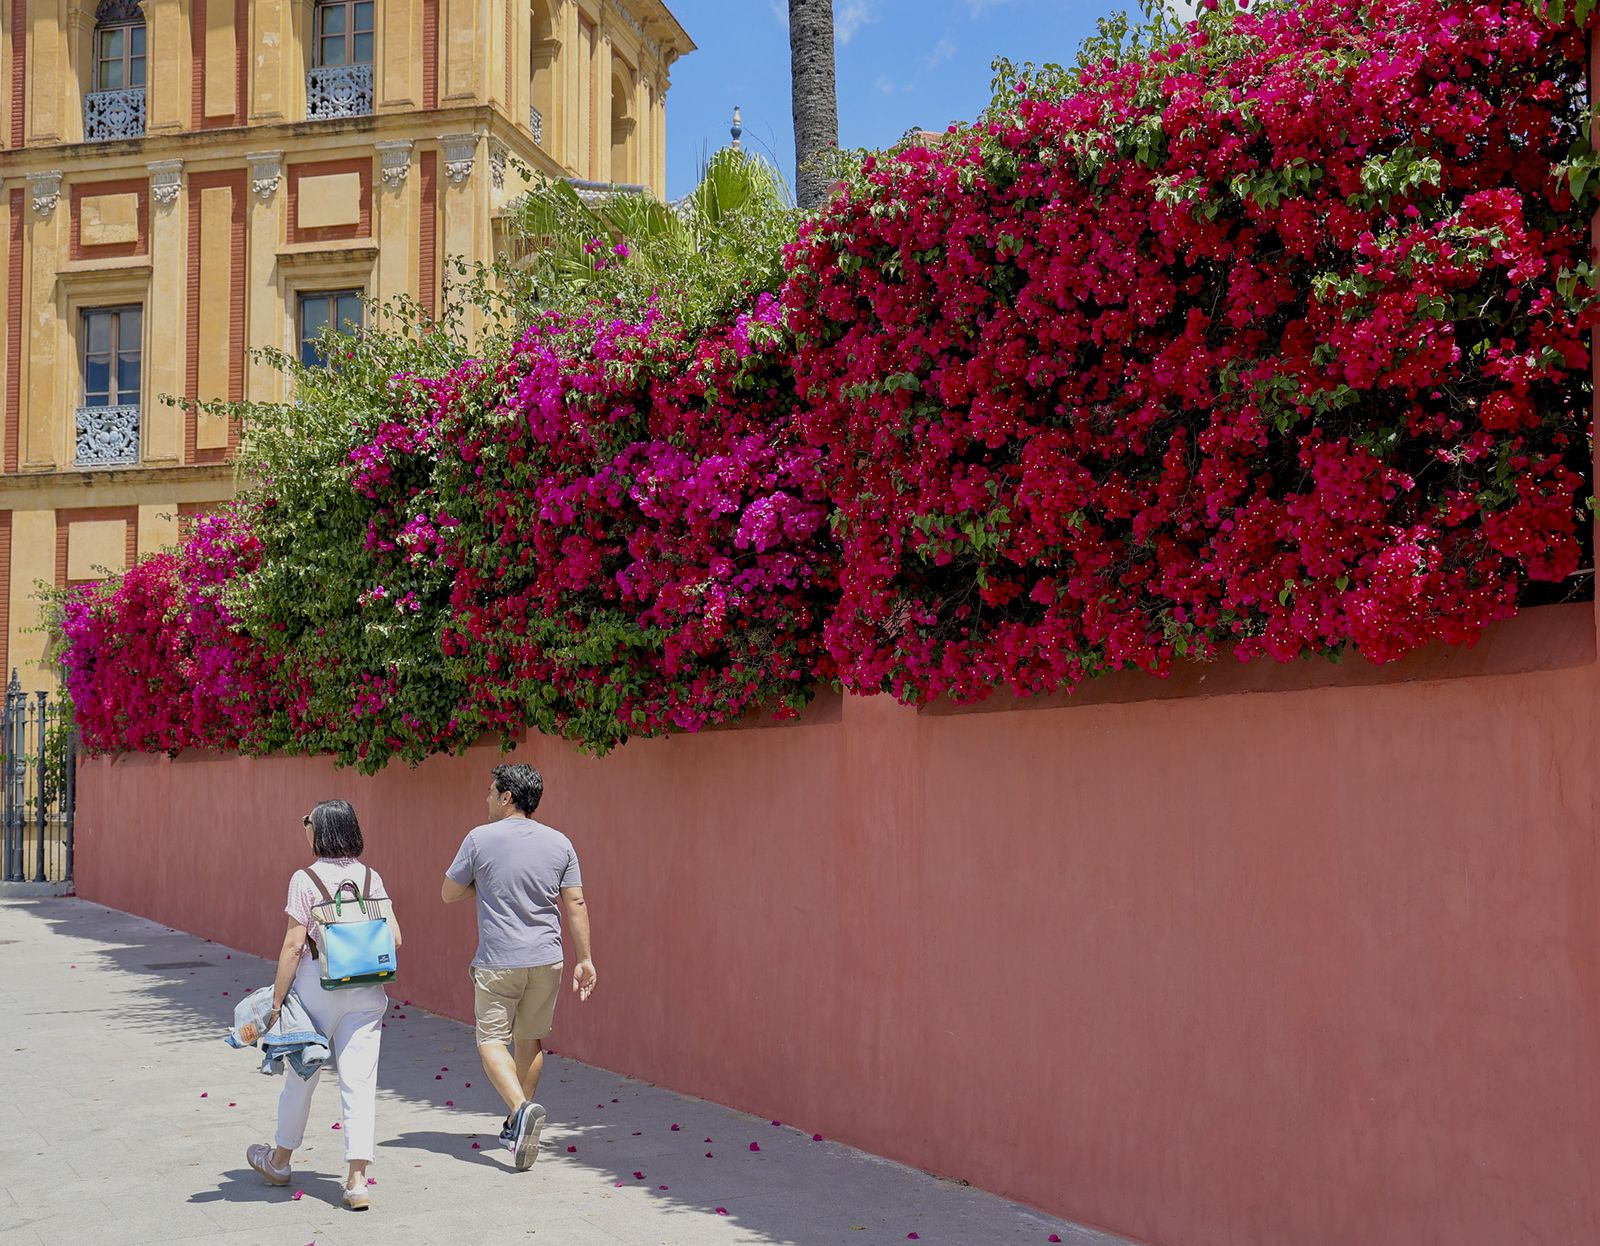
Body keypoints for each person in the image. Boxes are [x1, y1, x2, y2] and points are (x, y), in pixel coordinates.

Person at [245, 799, 400, 1212]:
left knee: (301, 1075)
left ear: (323, 830)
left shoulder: (305, 879)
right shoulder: (371, 877)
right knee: (360, 1082)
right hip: (367, 989)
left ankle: (279, 1161)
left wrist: (277, 1002)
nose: (305, 827)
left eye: (308, 822)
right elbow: (395, 938)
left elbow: (295, 945)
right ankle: (356, 1180)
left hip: (317, 988)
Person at [442, 763, 595, 1171]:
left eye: (491, 792)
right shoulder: (560, 842)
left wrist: (486, 883)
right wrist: (586, 959)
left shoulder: (479, 838)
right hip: (548, 958)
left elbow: (449, 892)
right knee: (530, 1040)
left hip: (499, 960)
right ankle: (516, 1125)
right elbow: (575, 903)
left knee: (491, 1040)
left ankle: (521, 1109)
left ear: (507, 797)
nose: (486, 799)